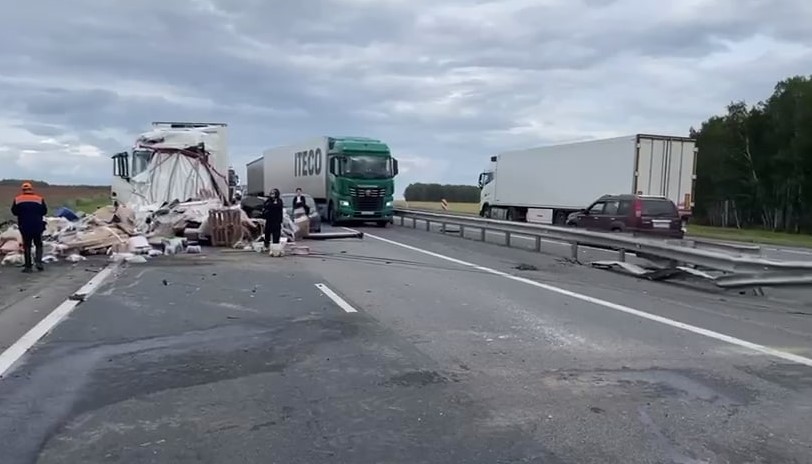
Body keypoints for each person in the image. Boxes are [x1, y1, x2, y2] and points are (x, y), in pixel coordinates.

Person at [11, 182, 47, 273]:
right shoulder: (39, 199)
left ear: (22, 190)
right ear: (31, 189)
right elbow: (44, 211)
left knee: (27, 245)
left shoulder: (17, 199)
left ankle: (28, 267)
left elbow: (14, 212)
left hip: (25, 226)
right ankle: (39, 262)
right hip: (37, 225)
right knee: (38, 244)